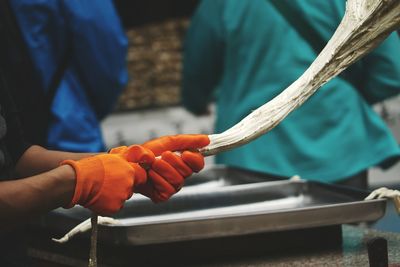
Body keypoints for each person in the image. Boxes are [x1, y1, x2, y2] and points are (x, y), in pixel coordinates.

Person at [182, 0, 400, 188]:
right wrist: (342, 99)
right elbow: (391, 71)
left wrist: (197, 102)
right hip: (340, 151)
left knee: (255, 237)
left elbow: (197, 70)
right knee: (344, 234)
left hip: (251, 156)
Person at [9, 0, 129, 152]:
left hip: (10, 136)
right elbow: (105, 42)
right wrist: (91, 106)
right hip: (64, 125)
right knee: (86, 172)